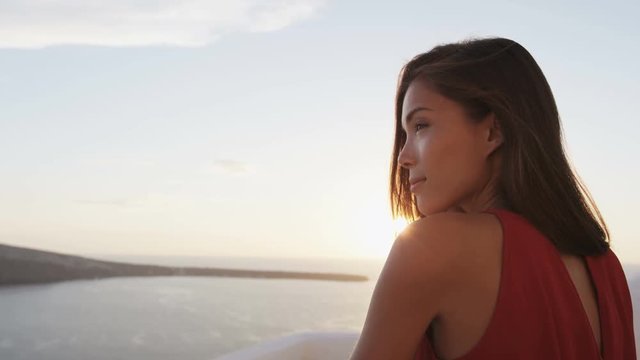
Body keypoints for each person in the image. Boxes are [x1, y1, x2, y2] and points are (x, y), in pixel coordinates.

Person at [349, 37, 635, 360]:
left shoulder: (431, 248)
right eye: (405, 133)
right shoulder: (607, 266)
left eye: (421, 126)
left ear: (492, 132)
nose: (403, 157)